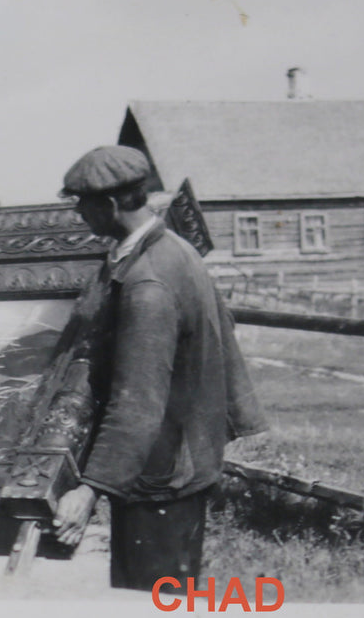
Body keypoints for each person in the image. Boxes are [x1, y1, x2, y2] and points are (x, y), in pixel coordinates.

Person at [50, 146, 267, 591]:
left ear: (109, 205)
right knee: (173, 600)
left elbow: (138, 402)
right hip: (183, 459)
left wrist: (89, 489)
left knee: (150, 605)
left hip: (161, 476)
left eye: (82, 204)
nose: (79, 215)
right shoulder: (174, 249)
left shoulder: (148, 283)